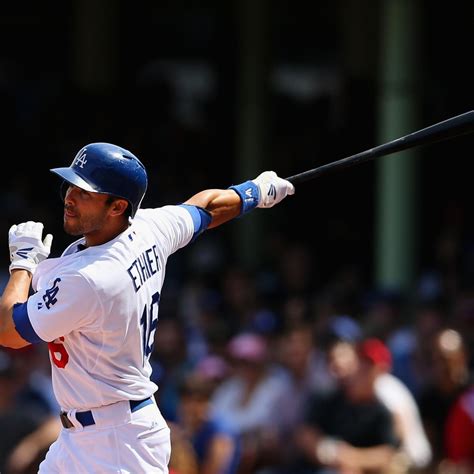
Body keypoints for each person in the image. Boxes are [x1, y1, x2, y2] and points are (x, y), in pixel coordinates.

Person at [0, 142, 294, 473]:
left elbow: (8, 332)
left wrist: (22, 264)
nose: (70, 196)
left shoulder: (92, 277)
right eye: (71, 185)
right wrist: (253, 192)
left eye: (85, 192)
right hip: (91, 434)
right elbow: (206, 207)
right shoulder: (149, 228)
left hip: (116, 443)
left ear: (117, 206)